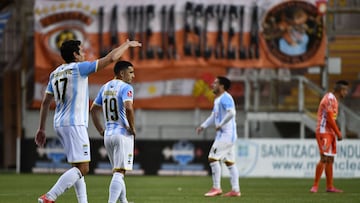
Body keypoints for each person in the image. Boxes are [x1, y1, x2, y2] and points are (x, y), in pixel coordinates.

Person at [35, 39, 141, 203]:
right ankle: (49, 197)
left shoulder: (55, 73)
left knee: (77, 166)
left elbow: (45, 102)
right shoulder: (79, 68)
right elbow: (111, 59)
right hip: (75, 123)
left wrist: (41, 128)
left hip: (59, 123)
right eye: (81, 51)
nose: (84, 54)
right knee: (83, 168)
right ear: (75, 55)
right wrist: (126, 45)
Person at [90, 61, 136, 203]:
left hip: (108, 135)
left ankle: (124, 201)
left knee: (118, 171)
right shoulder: (126, 87)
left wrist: (100, 130)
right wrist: (132, 128)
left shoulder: (105, 87)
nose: (133, 76)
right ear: (122, 73)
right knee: (119, 172)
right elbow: (128, 108)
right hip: (122, 134)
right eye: (131, 72)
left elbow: (93, 110)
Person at [196, 76, 241, 197]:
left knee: (213, 158)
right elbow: (213, 116)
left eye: (215, 83)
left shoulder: (225, 98)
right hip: (225, 135)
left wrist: (221, 124)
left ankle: (216, 188)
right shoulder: (218, 99)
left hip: (226, 135)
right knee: (230, 163)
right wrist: (203, 126)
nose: (212, 85)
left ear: (221, 86)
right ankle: (235, 190)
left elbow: (232, 113)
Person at [310, 80, 349, 193]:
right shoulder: (330, 99)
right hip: (324, 131)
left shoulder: (334, 99)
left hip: (330, 132)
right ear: (340, 90)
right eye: (345, 90)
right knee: (324, 158)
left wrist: (334, 132)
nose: (346, 93)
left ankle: (330, 186)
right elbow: (330, 119)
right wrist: (338, 132)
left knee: (330, 159)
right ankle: (315, 186)